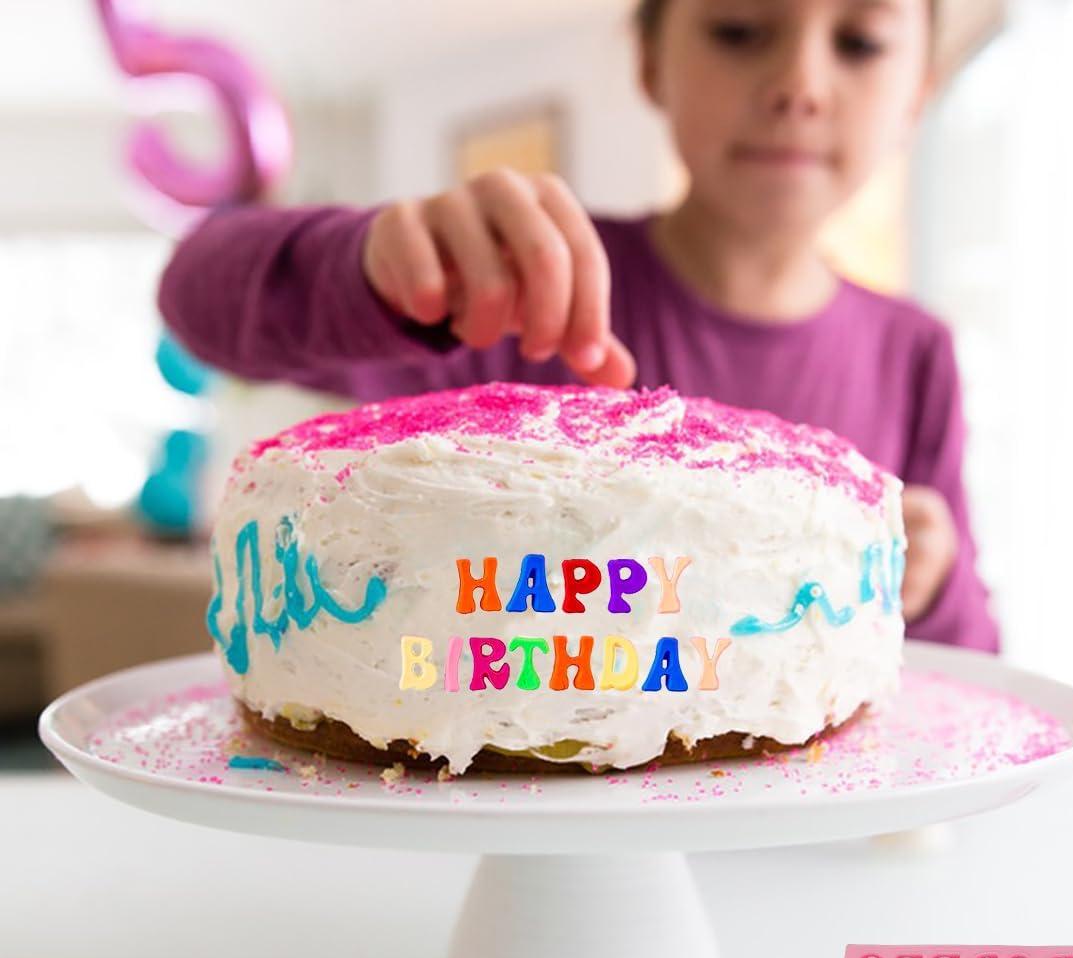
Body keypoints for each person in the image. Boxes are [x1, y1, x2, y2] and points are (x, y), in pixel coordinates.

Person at [158, 0, 1000, 652]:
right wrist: (367, 268)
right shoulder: (517, 288)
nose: (800, 86)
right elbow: (197, 298)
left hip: (812, 863)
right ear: (649, 63)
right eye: (740, 29)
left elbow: (975, 676)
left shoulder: (914, 353)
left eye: (860, 43)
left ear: (917, 95)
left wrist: (935, 577)